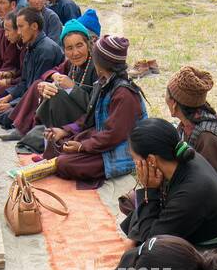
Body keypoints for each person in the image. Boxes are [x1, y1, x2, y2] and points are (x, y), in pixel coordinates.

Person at [120, 118, 217, 254]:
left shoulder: (191, 191)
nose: (134, 164)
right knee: (130, 205)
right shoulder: (180, 159)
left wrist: (149, 190)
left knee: (146, 257)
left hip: (215, 251)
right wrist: (133, 237)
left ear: (151, 160)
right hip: (188, 223)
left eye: (134, 158)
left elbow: (152, 245)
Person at [40, 34, 147, 184]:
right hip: (103, 139)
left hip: (123, 150)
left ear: (100, 62)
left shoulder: (124, 94)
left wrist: (82, 147)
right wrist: (65, 131)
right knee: (63, 143)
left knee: (64, 163)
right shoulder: (103, 82)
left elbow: (113, 135)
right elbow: (89, 117)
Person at [164, 66, 217, 221]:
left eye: (166, 94)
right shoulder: (188, 124)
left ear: (174, 104)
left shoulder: (207, 137)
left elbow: (204, 184)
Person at [0, 18, 97, 146]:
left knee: (56, 94)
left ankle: (43, 131)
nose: (75, 53)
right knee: (39, 85)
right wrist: (53, 77)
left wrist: (72, 88)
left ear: (88, 44)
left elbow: (95, 108)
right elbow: (50, 72)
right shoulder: (71, 63)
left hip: (86, 119)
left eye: (79, 46)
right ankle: (25, 128)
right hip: (71, 111)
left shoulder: (96, 67)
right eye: (69, 48)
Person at [0, 7, 62, 126]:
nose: (19, 32)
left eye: (21, 27)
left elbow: (36, 89)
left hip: (41, 101)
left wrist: (12, 105)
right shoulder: (30, 47)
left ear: (34, 27)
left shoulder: (46, 50)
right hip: (27, 96)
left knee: (6, 115)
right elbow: (24, 82)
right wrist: (9, 98)